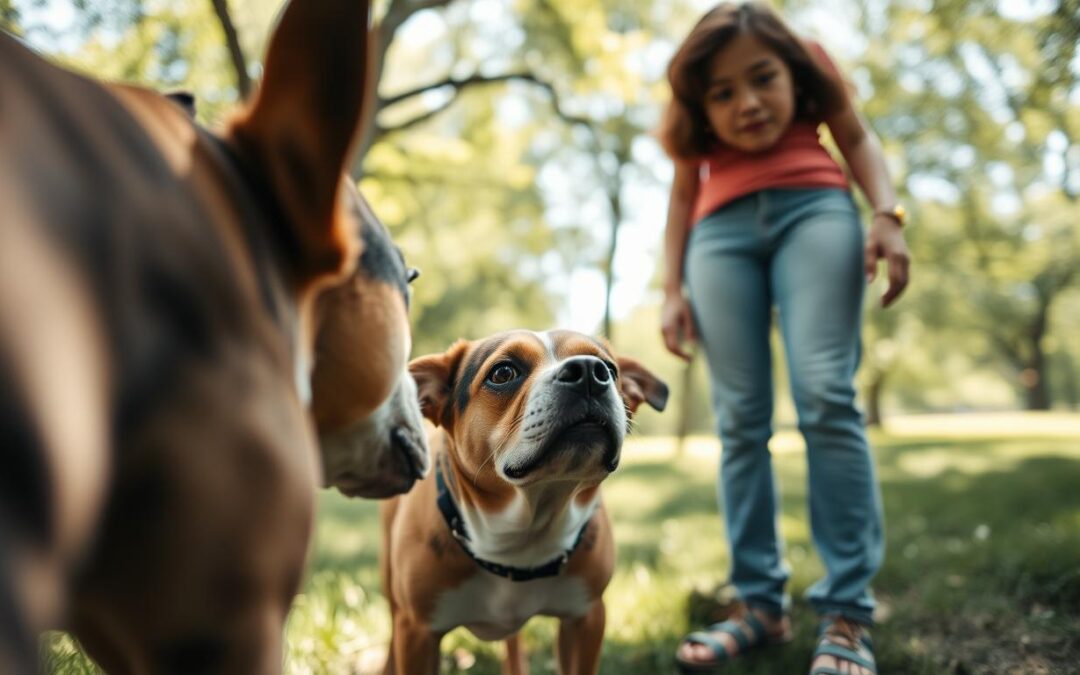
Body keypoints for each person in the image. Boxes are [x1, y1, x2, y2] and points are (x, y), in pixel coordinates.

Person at [657, 3, 910, 674]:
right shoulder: (698, 141)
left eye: (762, 79)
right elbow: (680, 200)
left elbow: (857, 139)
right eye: (723, 92)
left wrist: (887, 214)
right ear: (703, 105)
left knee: (826, 392)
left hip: (817, 212)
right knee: (739, 419)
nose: (747, 102)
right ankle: (759, 604)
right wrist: (669, 289)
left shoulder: (816, 60)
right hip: (718, 238)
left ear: (792, 75)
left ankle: (848, 609)